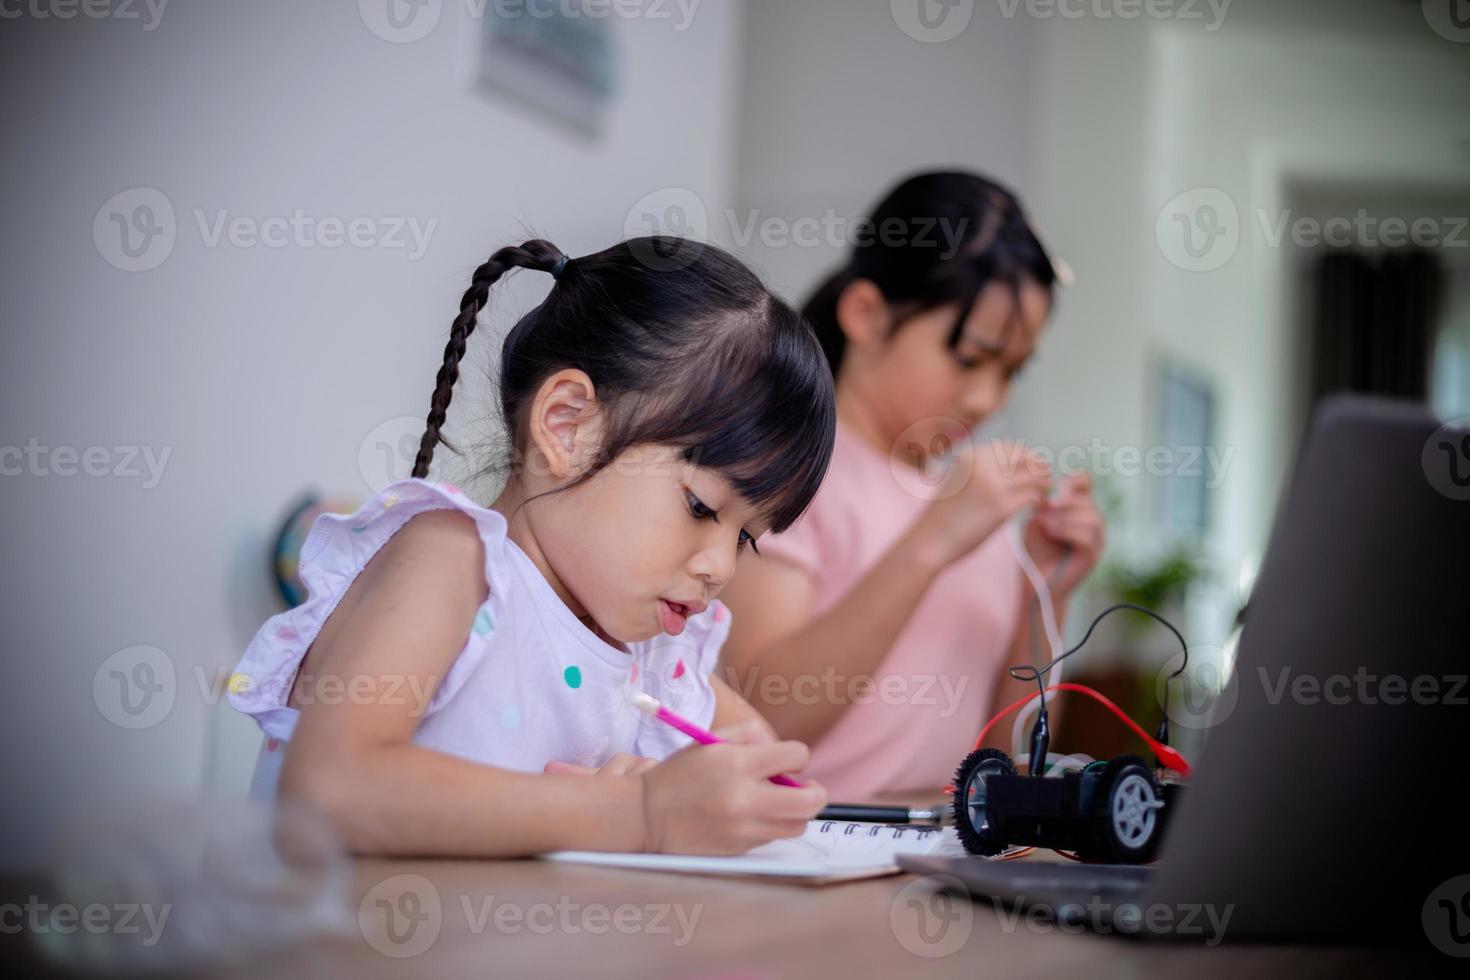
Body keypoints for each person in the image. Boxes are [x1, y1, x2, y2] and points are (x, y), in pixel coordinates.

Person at [229, 236, 835, 856]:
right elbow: (330, 789)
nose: (720, 567)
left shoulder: (652, 651)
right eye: (700, 507)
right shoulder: (451, 564)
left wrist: (741, 783)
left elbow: (744, 754)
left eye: (744, 539)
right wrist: (635, 813)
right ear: (567, 426)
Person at [717, 172, 1105, 799]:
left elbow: (1012, 754)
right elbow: (766, 715)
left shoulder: (967, 500)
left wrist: (1048, 592)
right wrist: (931, 543)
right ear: (867, 315)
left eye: (1012, 372)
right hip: (806, 849)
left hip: (946, 846)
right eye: (969, 358)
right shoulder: (788, 467)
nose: (988, 399)